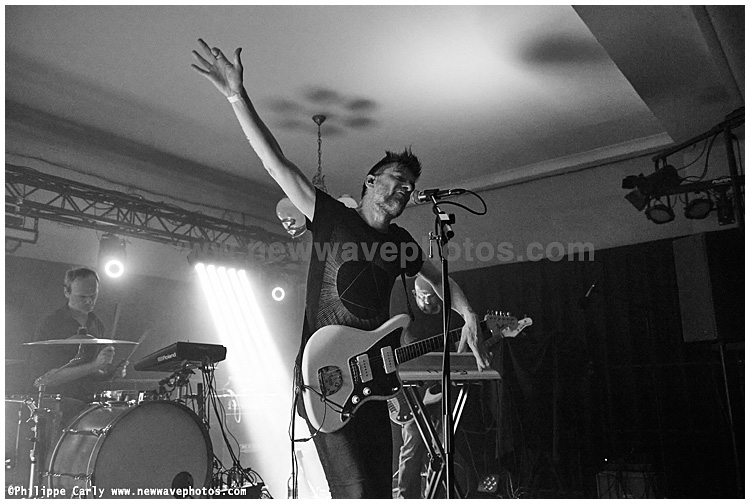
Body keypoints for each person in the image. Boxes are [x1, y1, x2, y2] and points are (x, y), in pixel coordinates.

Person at [191, 39, 490, 498]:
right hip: (326, 375)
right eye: (397, 179)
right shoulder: (332, 217)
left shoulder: (400, 243)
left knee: (378, 491)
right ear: (370, 181)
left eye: (410, 186)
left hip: (373, 380)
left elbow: (437, 277)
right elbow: (276, 164)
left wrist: (467, 313)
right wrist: (237, 96)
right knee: (355, 491)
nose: (405, 189)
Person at [29, 267, 127, 421]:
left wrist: (110, 373)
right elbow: (44, 378)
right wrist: (95, 365)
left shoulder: (97, 324)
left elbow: (89, 373)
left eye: (93, 296)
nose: (89, 301)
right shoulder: (50, 324)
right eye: (82, 297)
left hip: (86, 404)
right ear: (66, 292)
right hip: (55, 407)